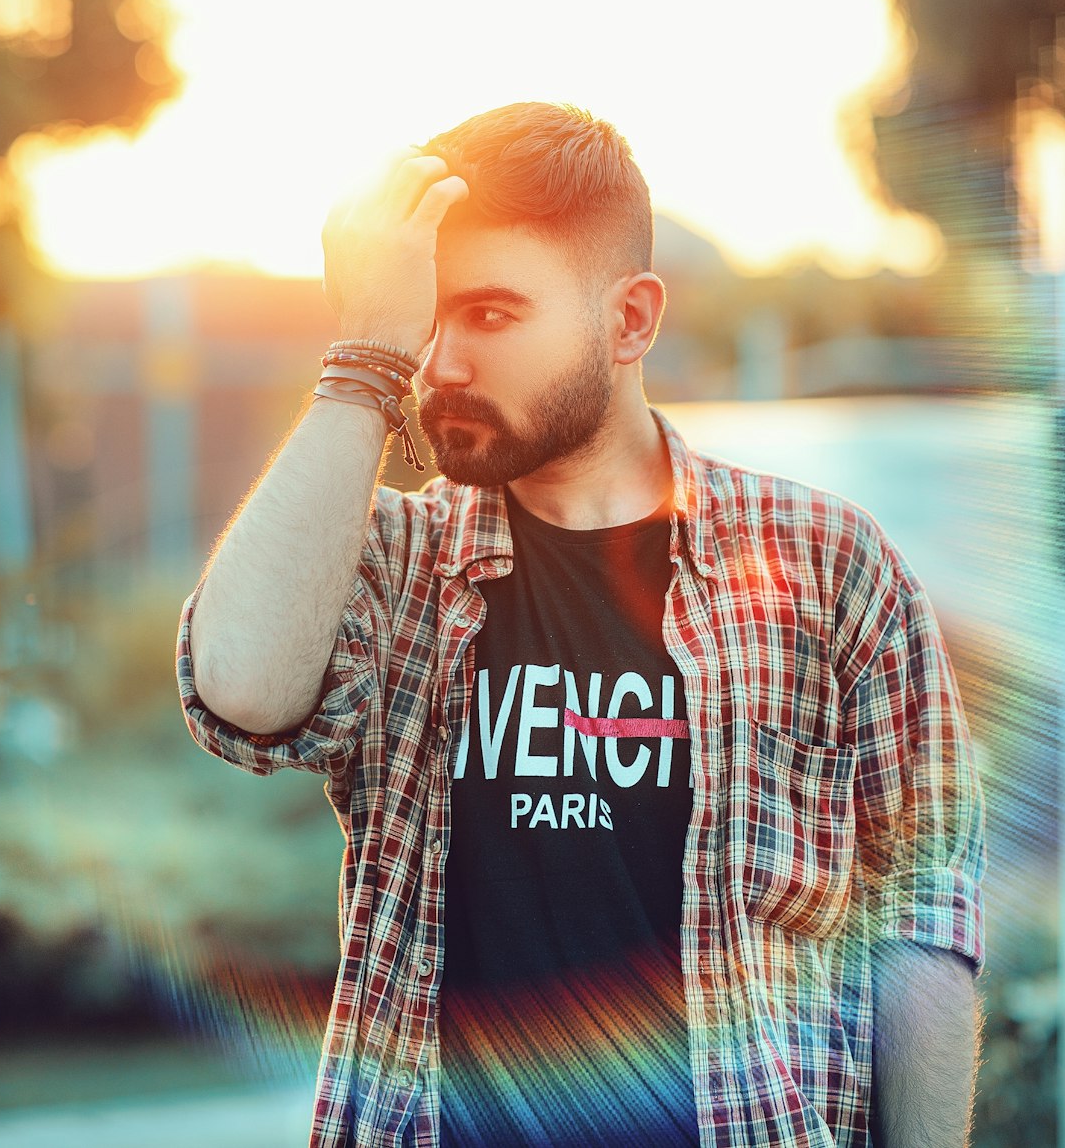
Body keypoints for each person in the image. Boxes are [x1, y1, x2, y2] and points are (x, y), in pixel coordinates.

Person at [176, 102, 986, 1148]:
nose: (442, 364)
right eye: (430, 317)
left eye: (494, 315)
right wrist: (364, 352)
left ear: (630, 322)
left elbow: (920, 922)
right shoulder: (390, 558)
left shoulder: (828, 565)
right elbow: (239, 689)